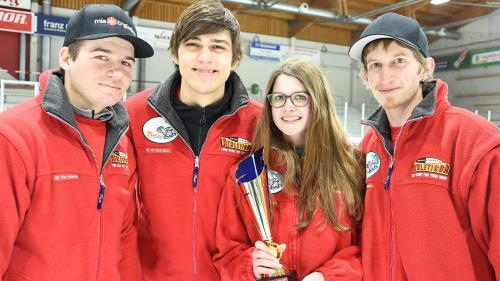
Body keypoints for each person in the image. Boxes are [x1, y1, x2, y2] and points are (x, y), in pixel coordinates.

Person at [0, 4, 153, 281]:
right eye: (101, 57)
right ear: (66, 58)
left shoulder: (121, 143)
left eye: (126, 62)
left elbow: (125, 237)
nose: (117, 73)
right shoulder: (13, 137)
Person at [348, 12, 500, 281]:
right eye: (375, 65)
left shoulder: (474, 140)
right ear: (364, 75)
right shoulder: (370, 145)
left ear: (425, 69)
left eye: (398, 61)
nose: (385, 76)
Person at [124, 0, 261, 280]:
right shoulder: (133, 115)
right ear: (174, 52)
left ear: (235, 58)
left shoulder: (261, 124)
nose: (204, 57)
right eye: (193, 45)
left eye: (217, 47)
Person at [213, 59, 364, 281]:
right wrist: (251, 267)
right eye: (279, 98)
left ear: (318, 101)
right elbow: (227, 252)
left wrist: (327, 277)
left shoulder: (353, 166)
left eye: (300, 97)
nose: (288, 107)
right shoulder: (248, 173)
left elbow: (370, 247)